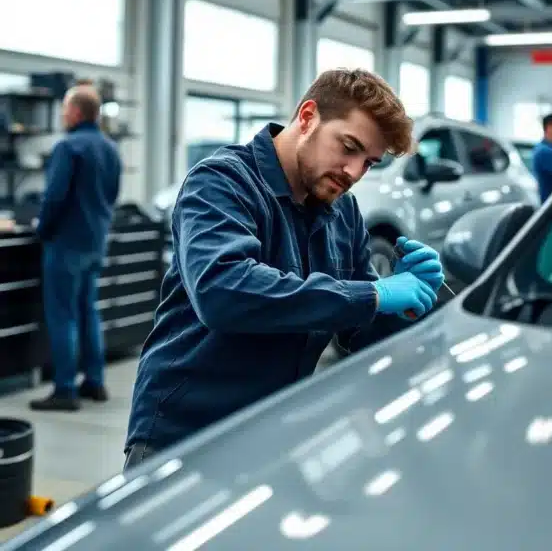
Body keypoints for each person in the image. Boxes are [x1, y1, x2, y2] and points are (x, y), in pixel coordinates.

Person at [124, 69, 444, 469]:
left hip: (272, 434)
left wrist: (413, 308)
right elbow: (224, 292)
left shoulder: (342, 211)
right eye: (348, 147)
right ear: (308, 117)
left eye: (368, 163)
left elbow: (360, 327)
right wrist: (375, 294)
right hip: (186, 435)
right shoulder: (221, 183)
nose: (353, 172)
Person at [31, 84, 122, 412]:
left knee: (63, 316)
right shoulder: (110, 149)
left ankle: (65, 389)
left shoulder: (68, 147)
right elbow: (112, 196)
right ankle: (95, 382)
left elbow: (54, 197)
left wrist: (42, 229)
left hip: (66, 244)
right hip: (95, 241)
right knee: (88, 311)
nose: (61, 113)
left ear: (77, 112)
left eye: (65, 108)